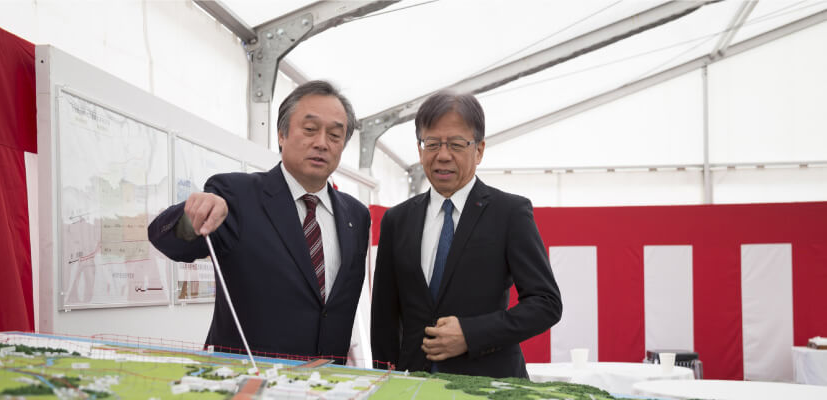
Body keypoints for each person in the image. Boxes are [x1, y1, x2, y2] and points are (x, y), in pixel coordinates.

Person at [148, 80, 370, 363]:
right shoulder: (237, 196)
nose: (321, 143)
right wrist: (192, 216)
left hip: (328, 378)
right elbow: (168, 242)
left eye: (335, 135)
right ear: (281, 134)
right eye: (310, 129)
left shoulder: (356, 215)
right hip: (250, 375)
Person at [370, 91, 562, 378]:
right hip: (413, 384)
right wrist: (384, 379)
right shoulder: (397, 220)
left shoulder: (509, 213)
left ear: (479, 150)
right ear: (420, 150)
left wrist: (471, 335)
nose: (443, 155)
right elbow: (384, 317)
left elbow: (546, 304)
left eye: (456, 144)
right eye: (432, 144)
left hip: (487, 384)